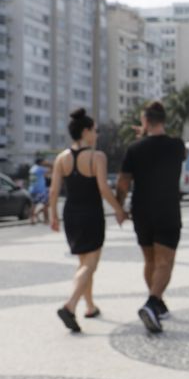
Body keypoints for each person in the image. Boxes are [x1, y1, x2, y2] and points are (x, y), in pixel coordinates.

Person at [49, 108, 127, 332]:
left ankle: (90, 306)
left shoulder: (61, 158)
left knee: (84, 263)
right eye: (95, 130)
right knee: (90, 265)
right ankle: (70, 305)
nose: (97, 134)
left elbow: (54, 191)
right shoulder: (96, 157)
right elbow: (103, 188)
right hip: (91, 214)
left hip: (71, 214)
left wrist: (53, 216)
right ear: (85, 131)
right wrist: (119, 210)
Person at [116, 101, 185, 334]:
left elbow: (123, 182)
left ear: (144, 121)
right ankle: (152, 303)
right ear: (163, 120)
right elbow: (165, 143)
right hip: (167, 210)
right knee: (165, 262)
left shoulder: (134, 148)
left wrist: (119, 206)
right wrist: (149, 132)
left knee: (150, 261)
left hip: (141, 212)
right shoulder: (177, 146)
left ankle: (157, 303)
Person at [28, 158, 50, 225]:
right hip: (40, 190)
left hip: (32, 189)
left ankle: (31, 220)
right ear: (40, 162)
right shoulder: (40, 168)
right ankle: (46, 220)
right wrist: (47, 164)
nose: (44, 162)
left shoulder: (32, 168)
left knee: (33, 205)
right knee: (46, 204)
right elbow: (50, 170)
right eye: (43, 161)